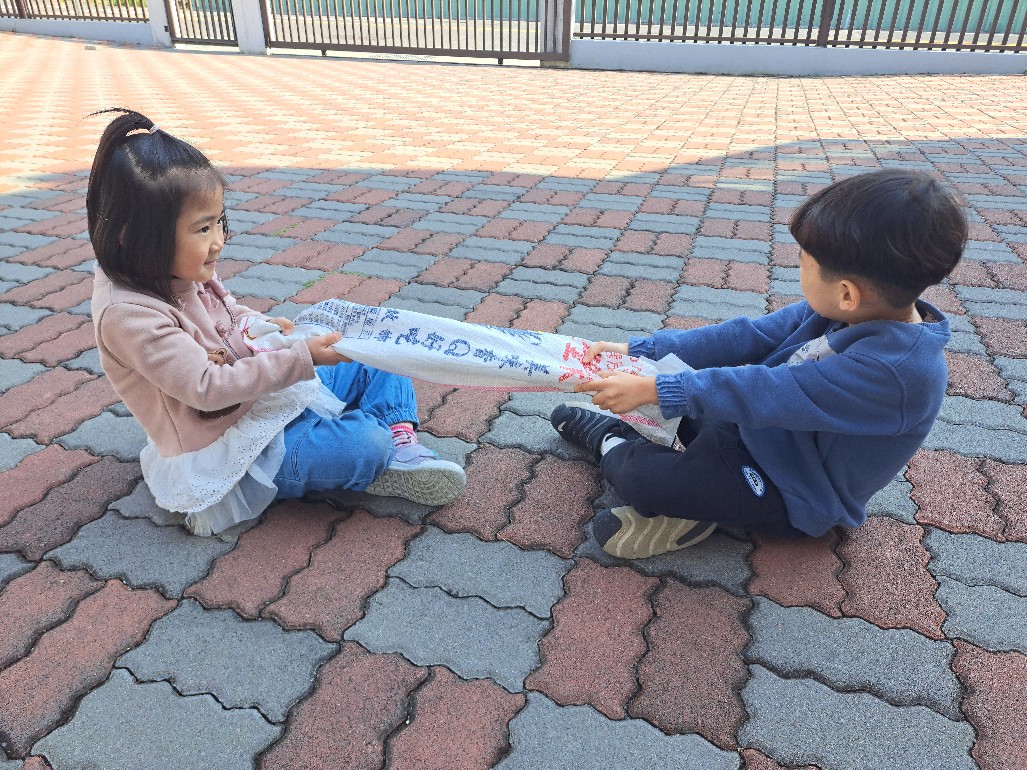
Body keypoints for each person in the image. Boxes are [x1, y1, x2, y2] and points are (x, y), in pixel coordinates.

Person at [551, 169, 967, 559]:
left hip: (791, 490)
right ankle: (660, 452)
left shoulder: (896, 373)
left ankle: (611, 442)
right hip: (758, 430)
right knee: (676, 395)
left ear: (846, 293)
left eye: (803, 261)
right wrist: (641, 351)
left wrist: (656, 389)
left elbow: (770, 391)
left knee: (644, 477)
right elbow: (747, 336)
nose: (798, 268)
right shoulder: (845, 310)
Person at [88, 109, 465, 536]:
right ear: (134, 236)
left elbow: (228, 311)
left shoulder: (174, 268)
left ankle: (399, 442)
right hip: (231, 448)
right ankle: (370, 451)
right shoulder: (129, 315)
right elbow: (207, 388)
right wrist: (302, 358)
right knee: (365, 444)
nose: (218, 241)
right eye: (202, 229)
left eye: (219, 223)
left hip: (262, 396)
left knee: (370, 350)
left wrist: (261, 323)